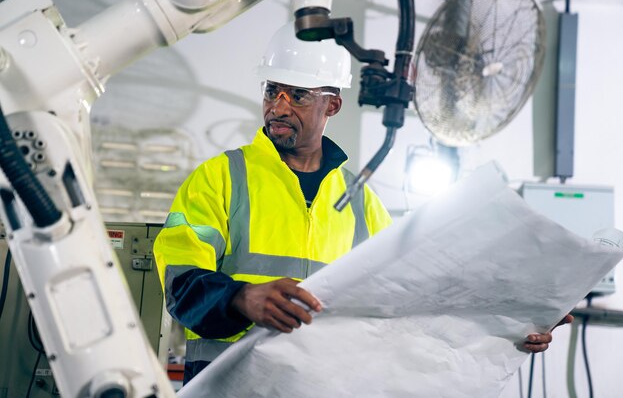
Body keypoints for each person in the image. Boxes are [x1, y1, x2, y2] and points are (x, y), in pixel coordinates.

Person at [154, 22, 566, 385]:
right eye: (271, 91)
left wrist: (504, 325)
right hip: (229, 387)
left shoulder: (361, 202)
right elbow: (180, 281)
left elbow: (412, 303)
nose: (277, 106)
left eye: (297, 94)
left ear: (331, 104)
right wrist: (241, 298)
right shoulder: (220, 178)